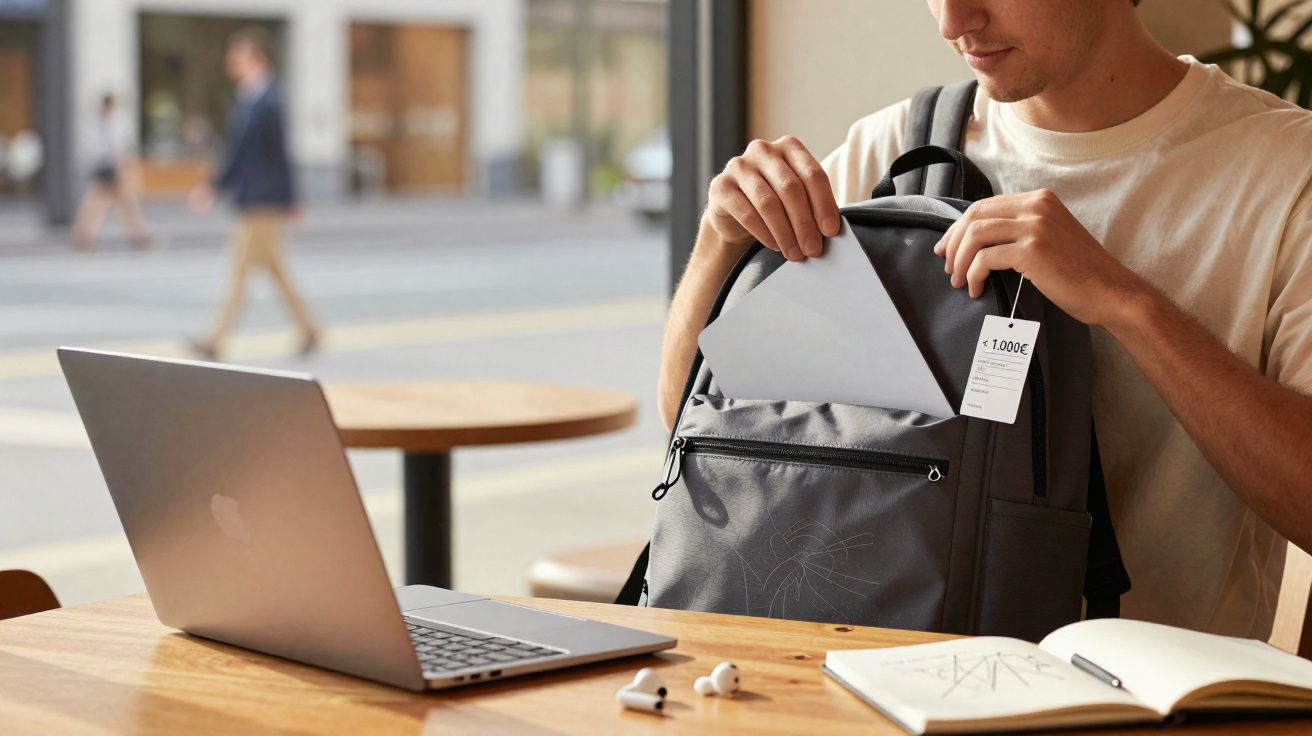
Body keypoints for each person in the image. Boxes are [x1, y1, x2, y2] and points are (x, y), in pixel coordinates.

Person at [660, 0, 1312, 641]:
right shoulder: (898, 150)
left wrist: (1124, 302)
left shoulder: (1284, 173)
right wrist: (721, 237)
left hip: (1152, 706)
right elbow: (688, 425)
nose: (952, 21)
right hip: (868, 683)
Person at [190, 26, 319, 360]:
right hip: (254, 197)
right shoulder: (249, 97)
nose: (231, 63)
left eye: (237, 57)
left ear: (254, 58)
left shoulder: (269, 99)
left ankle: (214, 339)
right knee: (276, 271)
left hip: (263, 200)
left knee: (238, 272)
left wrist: (291, 200)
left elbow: (278, 154)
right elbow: (238, 152)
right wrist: (215, 186)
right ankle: (310, 329)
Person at [71, 94, 152, 251]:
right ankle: (83, 236)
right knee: (99, 205)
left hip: (115, 171)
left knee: (123, 205)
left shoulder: (114, 124)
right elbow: (94, 149)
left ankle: (139, 236)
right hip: (105, 170)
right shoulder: (96, 126)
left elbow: (121, 147)